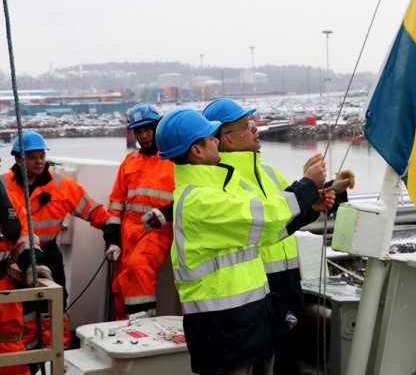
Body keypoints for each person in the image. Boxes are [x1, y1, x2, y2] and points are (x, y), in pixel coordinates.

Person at [154, 108, 333, 375]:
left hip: (239, 322)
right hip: (223, 327)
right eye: (209, 137)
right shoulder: (200, 201)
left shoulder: (211, 192)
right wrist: (307, 185)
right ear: (198, 151)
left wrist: (308, 209)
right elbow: (264, 216)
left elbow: (264, 234)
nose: (215, 140)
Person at [201, 98, 355, 374]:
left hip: (287, 283)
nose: (256, 128)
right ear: (229, 140)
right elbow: (264, 223)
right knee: (263, 363)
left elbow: (291, 211)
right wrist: (307, 184)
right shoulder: (224, 182)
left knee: (287, 362)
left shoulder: (268, 172)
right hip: (257, 290)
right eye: (248, 125)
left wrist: (331, 190)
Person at [0, 131, 108, 349]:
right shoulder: (3, 187)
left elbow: (94, 211)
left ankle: (60, 351)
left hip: (48, 254)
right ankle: (30, 355)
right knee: (24, 311)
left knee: (55, 307)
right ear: (18, 160)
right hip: (14, 260)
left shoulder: (62, 186)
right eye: (32, 157)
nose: (39, 161)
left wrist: (113, 232)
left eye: (41, 156)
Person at [103, 103, 174, 319]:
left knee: (138, 267)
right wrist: (112, 241)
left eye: (147, 130)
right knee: (120, 284)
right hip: (128, 233)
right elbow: (116, 203)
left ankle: (144, 327)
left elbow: (190, 195)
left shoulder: (174, 159)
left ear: (157, 127)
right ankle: (124, 332)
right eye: (139, 131)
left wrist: (166, 213)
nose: (143, 136)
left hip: (159, 231)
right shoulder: (129, 161)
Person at [0, 179, 31, 375]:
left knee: (10, 342)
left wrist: (34, 263)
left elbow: (24, 236)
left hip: (3, 289)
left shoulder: (7, 200)